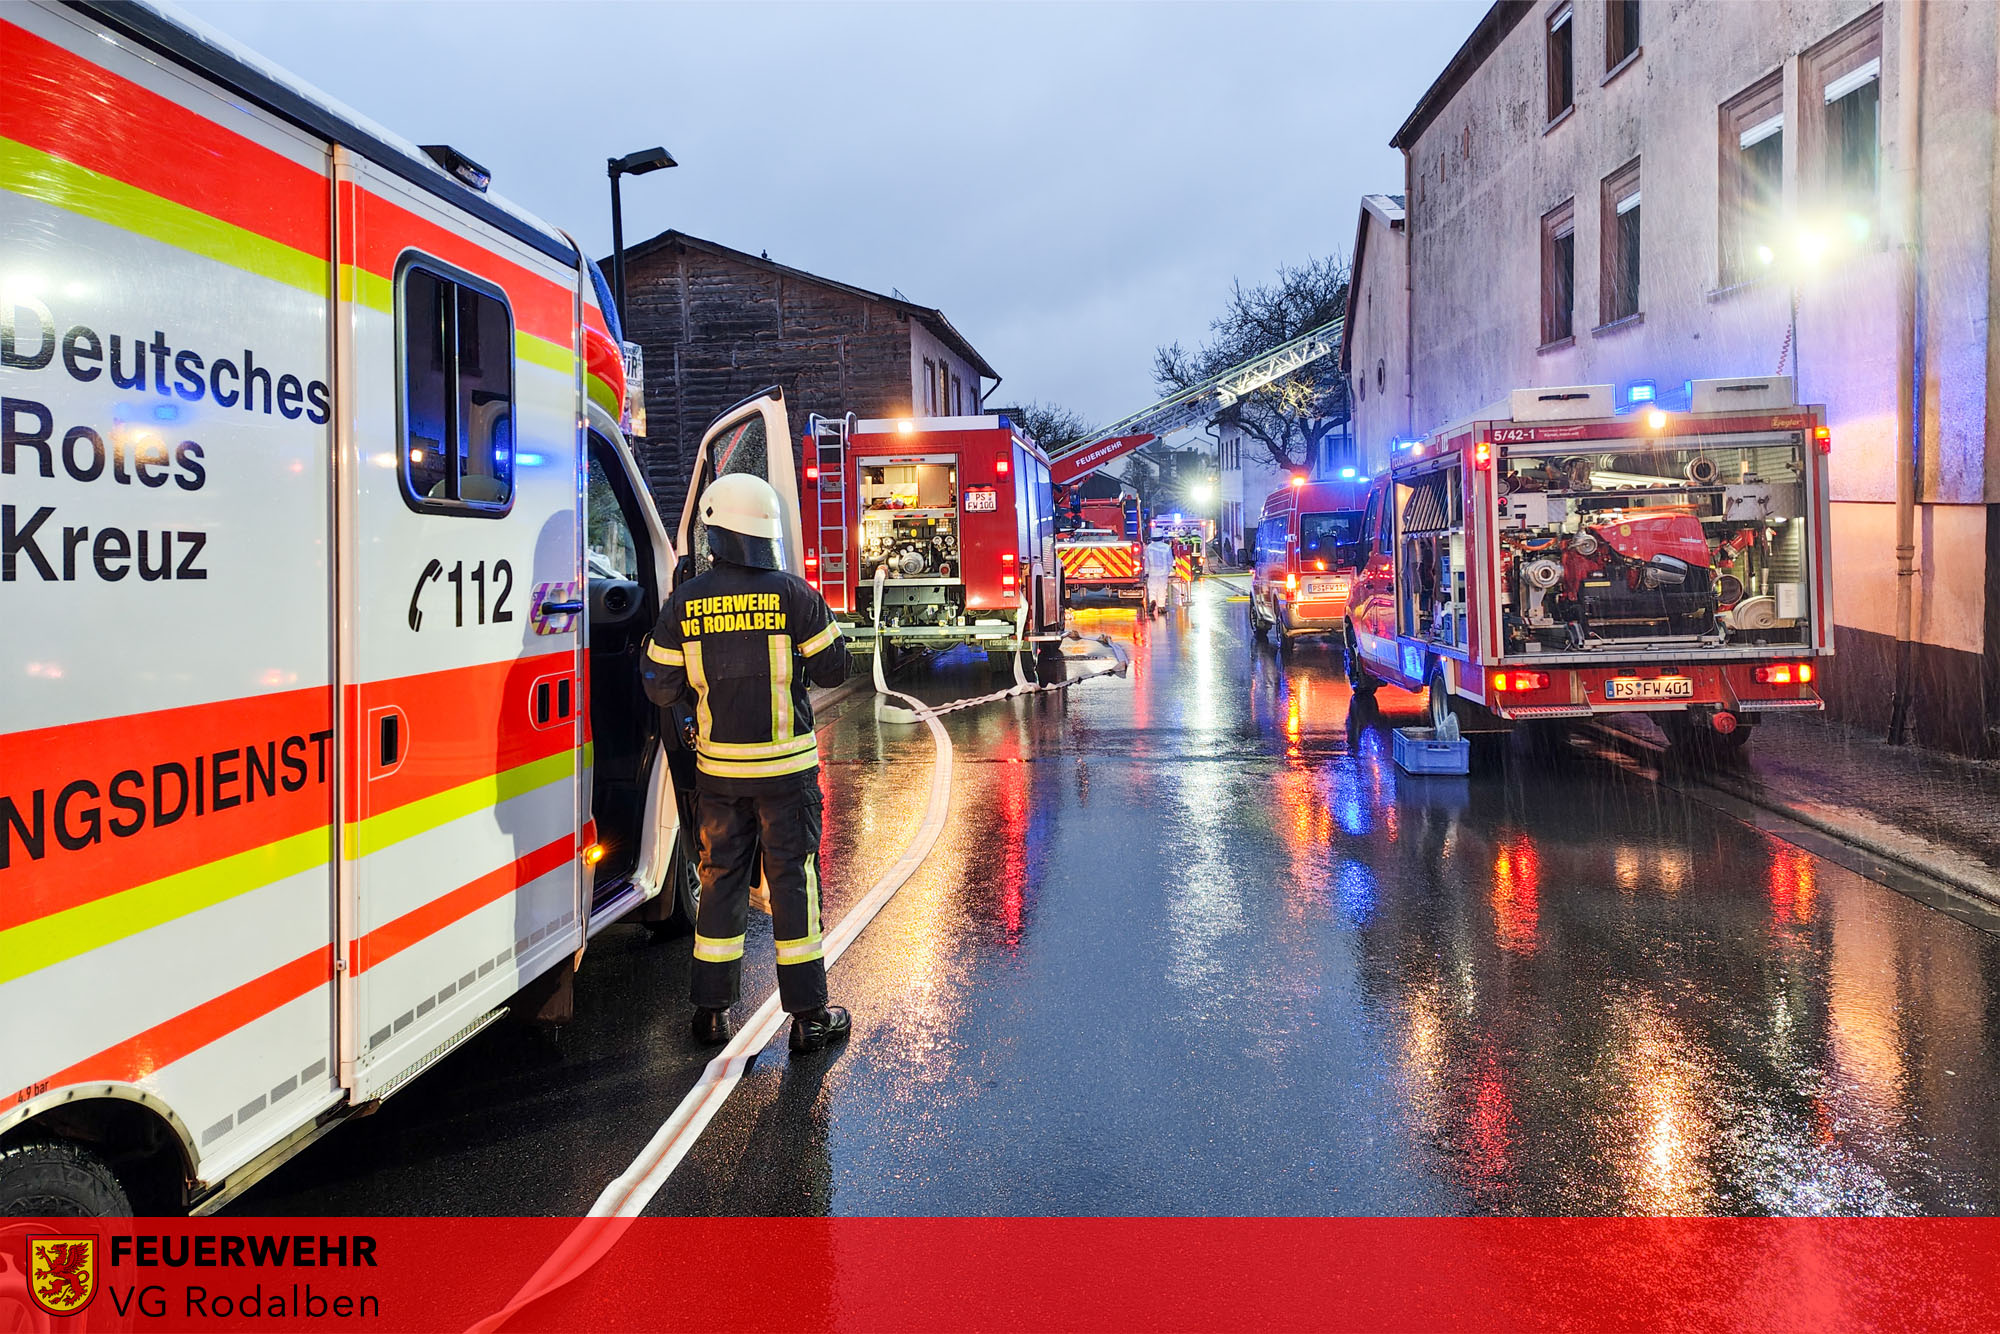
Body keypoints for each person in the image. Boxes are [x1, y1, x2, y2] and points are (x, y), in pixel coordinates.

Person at [641, 474, 853, 1054]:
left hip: (720, 779)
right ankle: (809, 1018)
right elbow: (835, 669)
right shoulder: (795, 595)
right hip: (787, 778)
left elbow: (658, 685)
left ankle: (710, 1014)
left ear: (714, 532)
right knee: (793, 884)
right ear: (765, 532)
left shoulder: (684, 603)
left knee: (720, 882)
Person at [1143, 535, 1174, 616]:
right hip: (1163, 571)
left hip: (1152, 571)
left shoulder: (1149, 548)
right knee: (1162, 588)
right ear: (1162, 538)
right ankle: (1161, 606)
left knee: (1152, 587)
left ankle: (1152, 600)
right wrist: (1169, 569)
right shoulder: (1166, 547)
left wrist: (1146, 571)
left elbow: (1147, 561)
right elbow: (1170, 560)